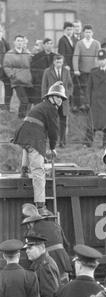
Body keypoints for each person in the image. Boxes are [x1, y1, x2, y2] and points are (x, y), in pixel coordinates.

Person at [12, 81, 67, 215]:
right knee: (38, 171)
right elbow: (53, 131)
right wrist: (53, 148)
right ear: (51, 97)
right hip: (34, 136)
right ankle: (41, 206)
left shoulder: (41, 106)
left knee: (28, 148)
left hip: (24, 132)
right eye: (57, 96)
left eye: (61, 98)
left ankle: (24, 170)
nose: (60, 100)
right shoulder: (51, 109)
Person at [21, 203, 72, 283]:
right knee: (64, 287)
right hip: (63, 262)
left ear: (30, 222)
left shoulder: (32, 231)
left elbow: (31, 253)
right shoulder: (55, 225)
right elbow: (67, 244)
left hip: (48, 264)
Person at [42, 53, 73, 147]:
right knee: (52, 122)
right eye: (57, 61)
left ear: (63, 62)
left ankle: (62, 142)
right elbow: (44, 86)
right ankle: (53, 142)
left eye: (60, 62)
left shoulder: (66, 71)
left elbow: (70, 85)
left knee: (63, 122)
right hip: (52, 101)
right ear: (54, 62)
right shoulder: (47, 71)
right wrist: (44, 98)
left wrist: (68, 94)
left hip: (63, 101)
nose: (59, 63)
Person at [3, 34, 33, 118]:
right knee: (24, 101)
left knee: (29, 101)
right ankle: (21, 118)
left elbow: (32, 65)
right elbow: (6, 66)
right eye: (18, 41)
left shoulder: (27, 53)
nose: (20, 43)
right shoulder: (9, 54)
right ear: (14, 42)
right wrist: (12, 75)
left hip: (27, 81)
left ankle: (24, 118)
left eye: (21, 41)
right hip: (17, 81)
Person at [73, 24, 101, 112]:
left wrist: (99, 68)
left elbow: (99, 57)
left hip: (94, 70)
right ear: (83, 33)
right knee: (84, 88)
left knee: (93, 88)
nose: (88, 34)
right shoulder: (79, 43)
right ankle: (85, 105)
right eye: (86, 32)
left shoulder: (96, 43)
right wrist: (76, 69)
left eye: (89, 32)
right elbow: (76, 56)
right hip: (83, 70)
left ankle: (92, 105)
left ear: (92, 33)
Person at [30, 38, 55, 105]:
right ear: (43, 45)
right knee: (38, 101)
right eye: (47, 44)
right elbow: (33, 69)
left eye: (51, 44)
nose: (49, 45)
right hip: (39, 82)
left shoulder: (55, 56)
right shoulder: (37, 56)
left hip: (51, 82)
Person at [0, 26, 12, 111]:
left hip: (4, 69)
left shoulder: (5, 42)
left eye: (1, 31)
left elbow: (10, 54)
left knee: (8, 86)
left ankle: (6, 106)